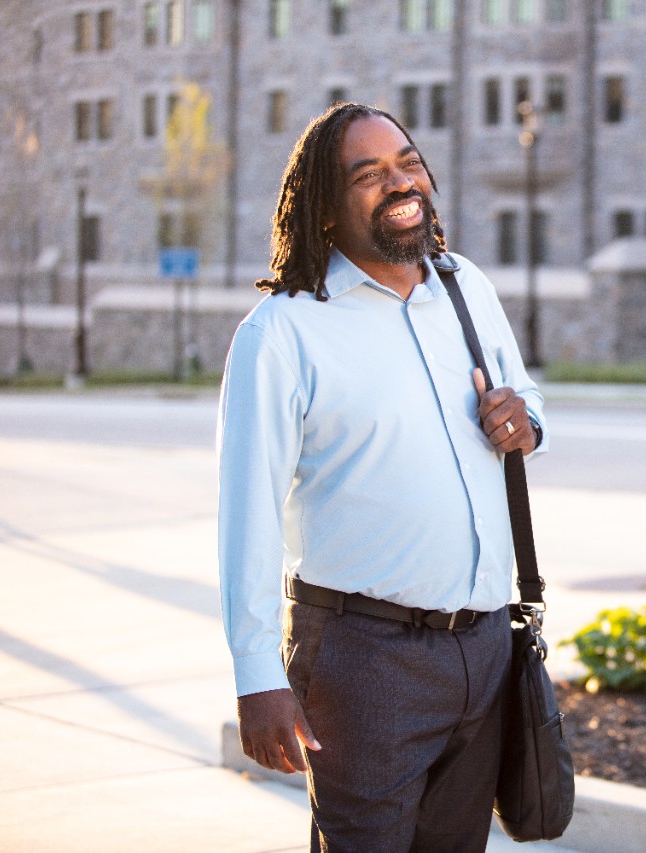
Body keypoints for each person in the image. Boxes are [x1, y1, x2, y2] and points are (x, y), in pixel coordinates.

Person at [216, 101, 546, 853]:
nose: (400, 183)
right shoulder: (284, 331)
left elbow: (527, 398)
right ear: (326, 209)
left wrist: (524, 420)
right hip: (364, 661)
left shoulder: (465, 287)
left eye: (407, 162)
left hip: (486, 645)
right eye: (368, 174)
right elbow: (249, 514)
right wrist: (255, 671)